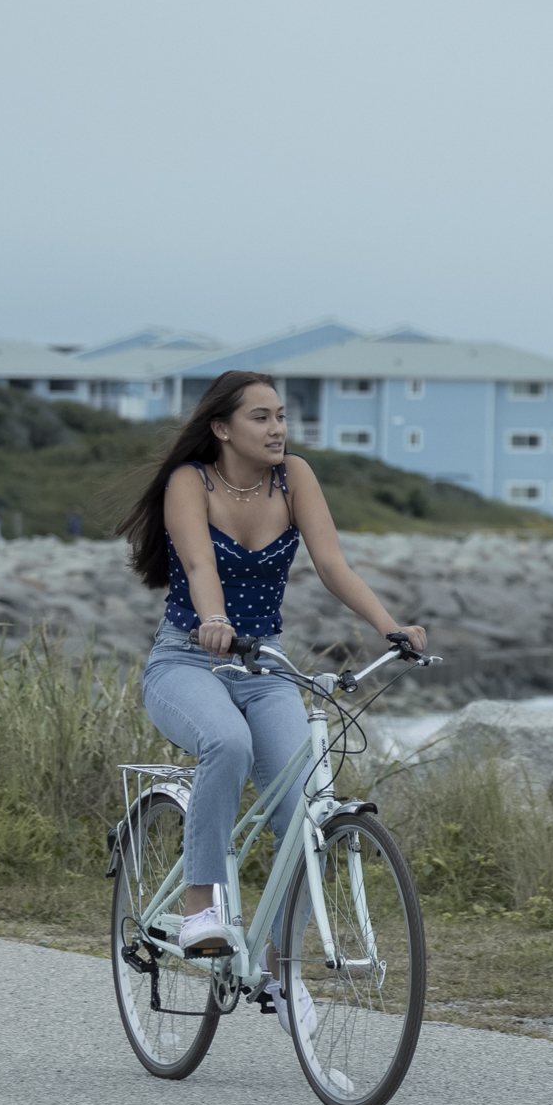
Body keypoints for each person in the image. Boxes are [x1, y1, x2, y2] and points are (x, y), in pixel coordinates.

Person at [120, 371, 428, 971]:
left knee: (307, 813)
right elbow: (197, 563)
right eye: (260, 417)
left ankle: (278, 969)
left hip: (264, 666)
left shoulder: (295, 478)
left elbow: (334, 566)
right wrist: (213, 618)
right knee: (226, 743)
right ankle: (200, 905)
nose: (277, 428)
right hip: (187, 657)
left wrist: (390, 627)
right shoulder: (191, 481)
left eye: (281, 416)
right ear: (222, 429)